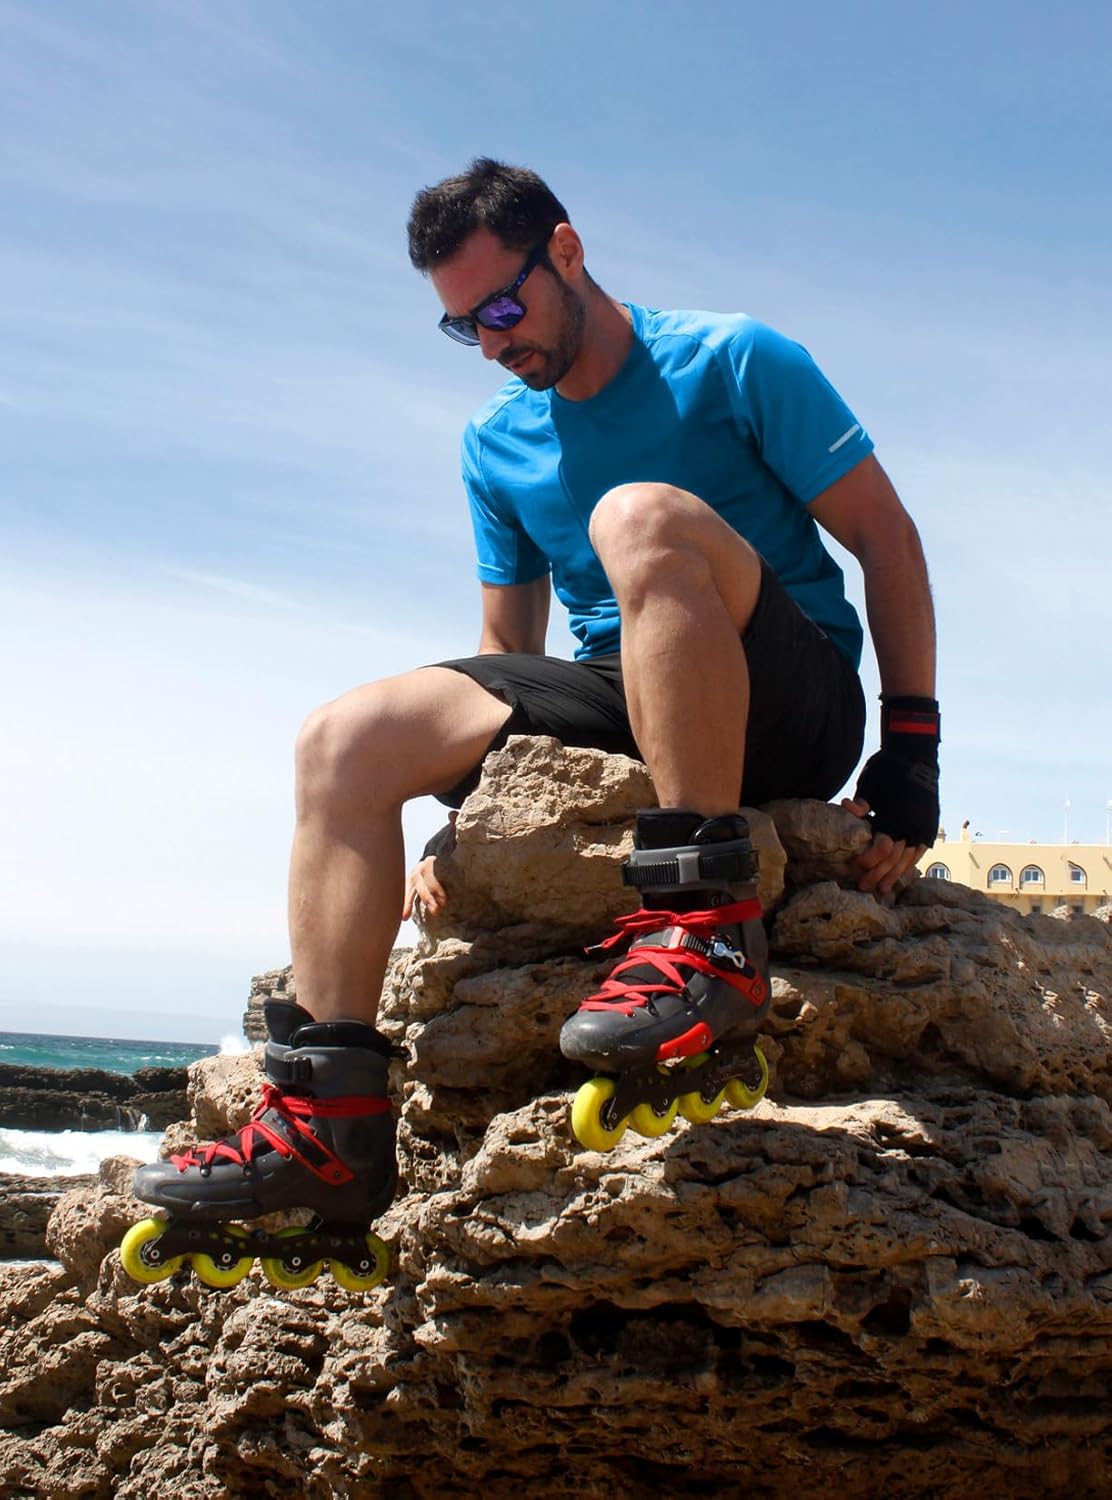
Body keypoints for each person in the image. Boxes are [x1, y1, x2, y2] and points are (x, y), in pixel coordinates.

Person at [129, 159, 939, 1260]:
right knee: (339, 739)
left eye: (502, 311)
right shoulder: (495, 442)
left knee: (637, 517)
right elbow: (507, 656)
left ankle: (708, 933)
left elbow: (886, 536)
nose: (491, 344)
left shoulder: (733, 357)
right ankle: (328, 1121)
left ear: (565, 250)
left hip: (788, 699)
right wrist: (467, 820)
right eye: (463, 327)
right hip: (625, 696)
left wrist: (911, 748)